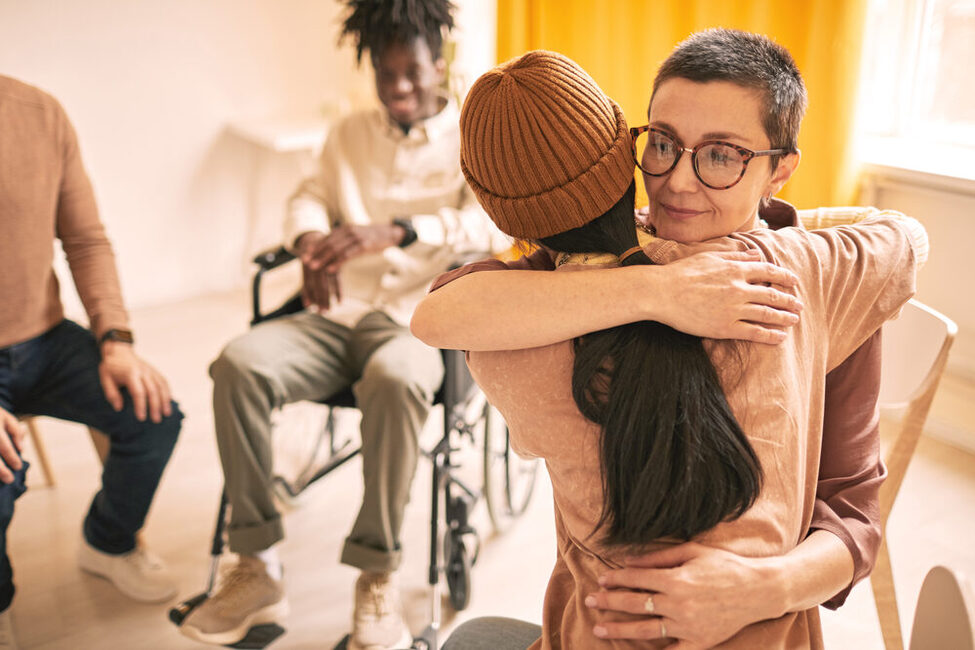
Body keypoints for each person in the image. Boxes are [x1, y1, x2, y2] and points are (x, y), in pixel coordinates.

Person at [419, 43, 926, 649]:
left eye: (721, 156)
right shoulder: (824, 267)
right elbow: (903, 234)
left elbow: (854, 515)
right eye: (661, 143)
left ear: (782, 167)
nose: (678, 181)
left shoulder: (815, 284)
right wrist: (660, 289)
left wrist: (760, 588)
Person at [179, 1, 507, 648]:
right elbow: (307, 196)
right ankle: (256, 563)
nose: (400, 88)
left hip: (419, 319)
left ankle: (375, 574)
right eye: (386, 75)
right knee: (238, 364)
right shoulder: (348, 136)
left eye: (411, 71)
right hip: (335, 314)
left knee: (391, 377)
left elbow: (491, 226)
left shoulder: (473, 134)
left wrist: (402, 230)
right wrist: (308, 241)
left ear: (437, 61)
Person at [0, 75, 184, 648]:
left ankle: (107, 540)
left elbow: (85, 240)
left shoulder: (38, 112)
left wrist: (116, 339)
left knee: (154, 416)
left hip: (45, 338)